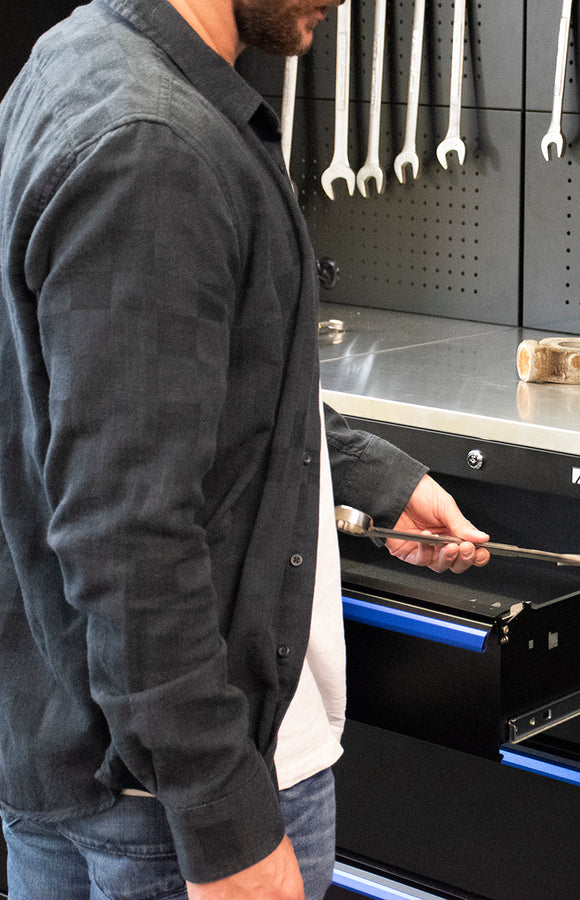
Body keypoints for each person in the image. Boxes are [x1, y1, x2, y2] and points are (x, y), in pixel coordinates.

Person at [0, 0, 490, 897]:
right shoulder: (156, 144)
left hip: (77, 751)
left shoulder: (79, 57)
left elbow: (132, 398)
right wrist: (223, 821)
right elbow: (126, 534)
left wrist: (371, 475)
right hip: (164, 807)